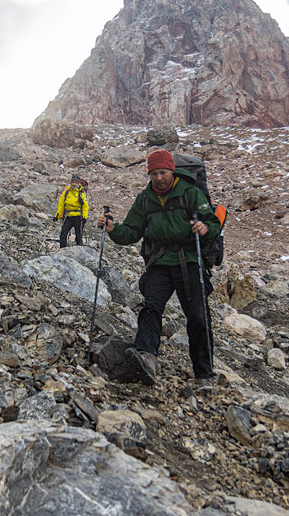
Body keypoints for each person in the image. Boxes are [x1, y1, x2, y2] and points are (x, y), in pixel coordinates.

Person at [97, 149, 222, 388]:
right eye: (153, 173)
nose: (158, 178)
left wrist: (205, 228)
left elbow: (214, 223)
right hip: (160, 262)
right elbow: (132, 232)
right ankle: (145, 356)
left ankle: (204, 374)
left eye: (162, 172)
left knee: (197, 315)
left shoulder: (191, 193)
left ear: (172, 171)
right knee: (151, 308)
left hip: (190, 261)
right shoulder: (145, 199)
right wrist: (113, 229)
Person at [55, 174, 89, 247]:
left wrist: (84, 217)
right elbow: (61, 205)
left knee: (78, 235)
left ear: (78, 183)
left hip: (78, 217)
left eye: (76, 182)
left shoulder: (82, 194)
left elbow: (85, 206)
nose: (74, 184)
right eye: (73, 182)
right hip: (68, 217)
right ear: (71, 183)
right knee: (63, 233)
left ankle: (79, 249)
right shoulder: (66, 193)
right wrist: (57, 216)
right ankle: (62, 249)